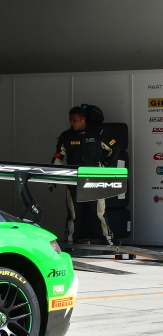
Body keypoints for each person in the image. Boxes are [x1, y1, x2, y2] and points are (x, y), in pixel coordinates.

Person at [52, 105, 120, 245]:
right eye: (70, 120)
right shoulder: (66, 136)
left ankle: (108, 240)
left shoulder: (98, 133)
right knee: (74, 214)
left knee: (99, 212)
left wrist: (105, 166)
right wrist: (53, 176)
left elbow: (115, 148)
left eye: (75, 120)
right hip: (74, 180)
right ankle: (70, 242)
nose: (72, 123)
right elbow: (58, 157)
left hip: (95, 179)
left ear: (83, 120)